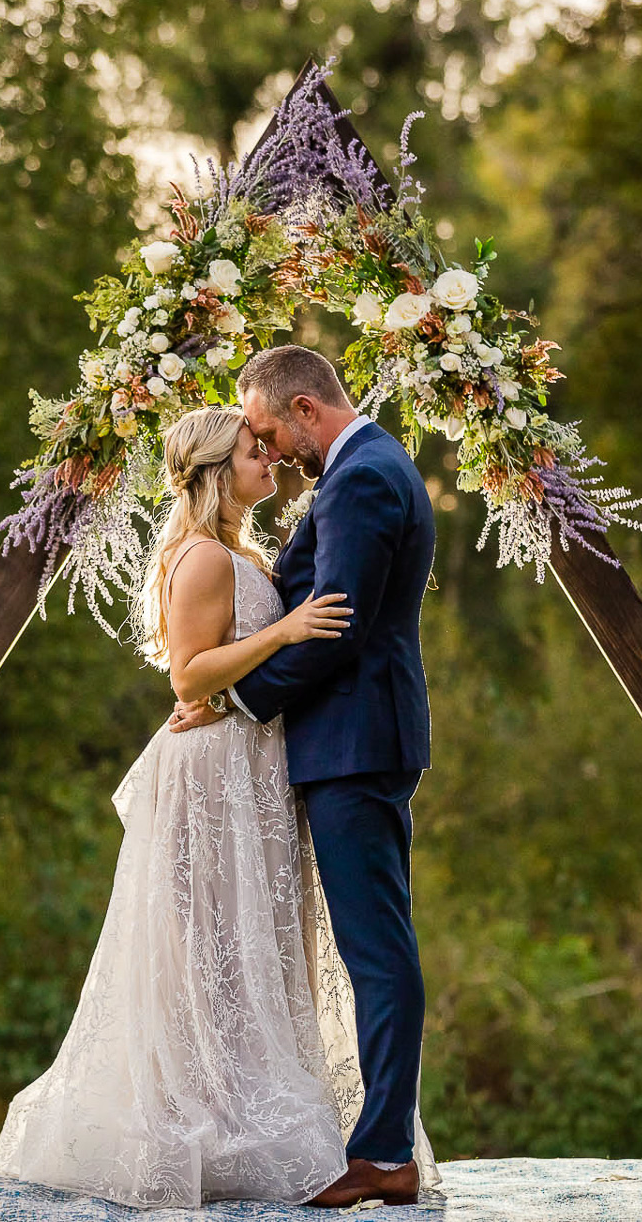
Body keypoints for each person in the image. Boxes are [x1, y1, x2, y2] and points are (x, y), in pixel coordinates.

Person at [0, 406, 376, 1207]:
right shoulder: (202, 557)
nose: (267, 458)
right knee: (208, 936)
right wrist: (287, 631)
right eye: (250, 451)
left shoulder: (239, 551)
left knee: (243, 937)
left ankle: (241, 1093)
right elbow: (189, 678)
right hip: (212, 775)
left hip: (248, 765)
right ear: (212, 470)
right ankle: (201, 1110)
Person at [171, 344, 439, 1209]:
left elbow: (339, 628)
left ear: (303, 411)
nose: (270, 450)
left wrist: (239, 700)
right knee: (368, 942)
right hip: (355, 740)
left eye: (265, 431)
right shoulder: (367, 463)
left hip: (356, 743)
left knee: (374, 946)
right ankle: (376, 1143)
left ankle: (386, 1151)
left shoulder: (361, 475)